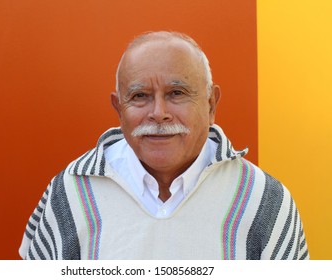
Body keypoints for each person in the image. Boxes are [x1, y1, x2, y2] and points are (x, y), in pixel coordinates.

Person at [19, 31, 309, 260]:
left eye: (176, 93)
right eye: (140, 96)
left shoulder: (263, 200)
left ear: (211, 105)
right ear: (119, 109)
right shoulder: (70, 193)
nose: (158, 112)